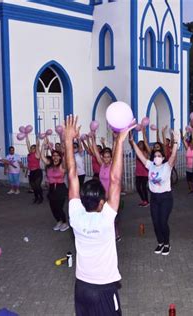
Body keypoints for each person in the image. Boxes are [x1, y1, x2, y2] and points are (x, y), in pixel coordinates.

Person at [66, 115, 133, 315]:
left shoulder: (75, 215)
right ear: (101, 202)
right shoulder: (105, 219)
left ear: (82, 199)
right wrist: (120, 141)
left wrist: (68, 140)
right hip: (104, 288)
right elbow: (115, 179)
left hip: (82, 288)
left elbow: (71, 173)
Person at [130, 128, 179, 256]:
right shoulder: (150, 165)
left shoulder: (167, 166)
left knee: (163, 222)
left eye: (159, 156)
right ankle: (160, 242)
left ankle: (167, 243)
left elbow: (173, 156)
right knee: (155, 222)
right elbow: (140, 154)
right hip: (154, 198)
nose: (157, 157)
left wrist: (175, 142)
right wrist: (132, 142)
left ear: (163, 157)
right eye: (155, 156)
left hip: (165, 198)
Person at [39, 139, 69, 232]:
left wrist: (64, 150)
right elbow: (42, 156)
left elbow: (65, 159)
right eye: (54, 155)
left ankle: (65, 223)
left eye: (57, 156)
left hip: (60, 188)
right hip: (51, 189)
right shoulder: (49, 164)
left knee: (59, 207)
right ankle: (58, 221)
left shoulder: (62, 166)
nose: (55, 157)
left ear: (60, 157)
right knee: (53, 208)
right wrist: (43, 146)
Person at [25, 134, 44, 204]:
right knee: (33, 187)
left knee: (37, 186)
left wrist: (37, 138)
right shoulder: (29, 154)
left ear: (35, 149)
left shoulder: (37, 154)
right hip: (31, 172)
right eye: (31, 148)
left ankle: (41, 197)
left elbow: (38, 145)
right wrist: (26, 136)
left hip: (37, 172)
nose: (32, 149)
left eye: (33, 148)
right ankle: (36, 197)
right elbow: (27, 144)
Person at [182, 129, 193, 194]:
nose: (192, 144)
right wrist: (186, 132)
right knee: (188, 179)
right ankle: (191, 189)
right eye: (191, 142)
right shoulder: (188, 148)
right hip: (188, 166)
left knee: (192, 179)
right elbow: (184, 140)